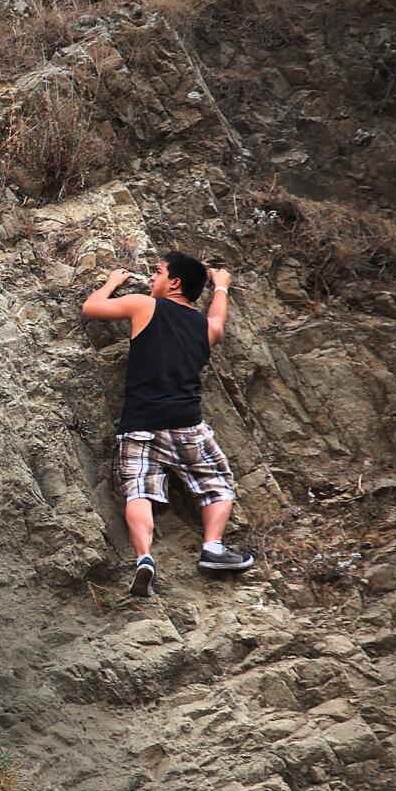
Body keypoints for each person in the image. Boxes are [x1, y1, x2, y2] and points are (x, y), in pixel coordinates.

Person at [82, 251, 255, 597]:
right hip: (186, 424)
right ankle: (213, 548)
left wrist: (112, 283)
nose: (151, 278)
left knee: (139, 490)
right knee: (217, 485)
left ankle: (144, 557)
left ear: (174, 282)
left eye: (157, 273)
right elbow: (218, 320)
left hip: (141, 423)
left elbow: (92, 308)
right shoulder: (206, 328)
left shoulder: (144, 306)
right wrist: (220, 286)